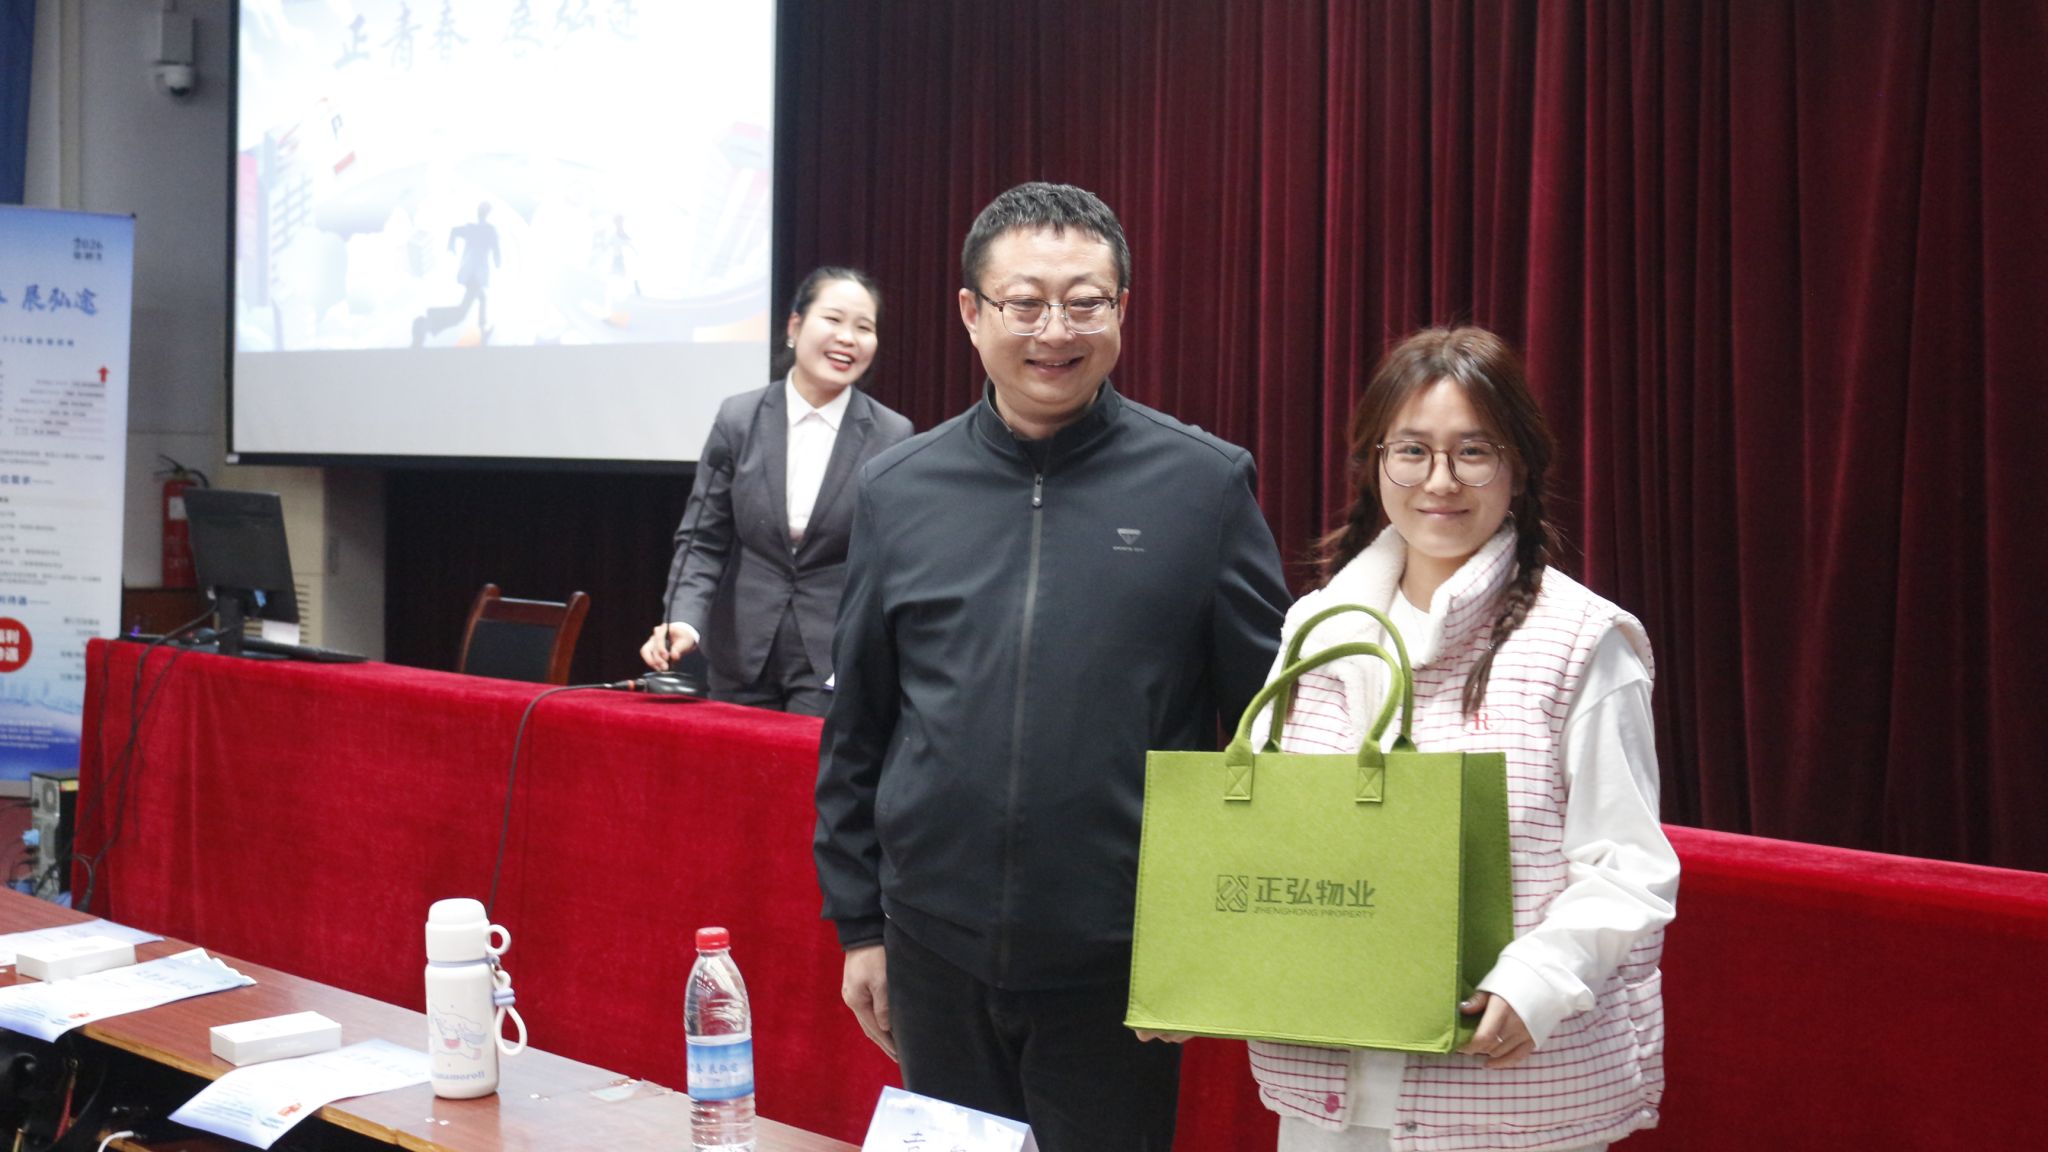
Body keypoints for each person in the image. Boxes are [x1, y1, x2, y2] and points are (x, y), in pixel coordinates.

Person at [813, 181, 1291, 1152]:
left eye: (1085, 302)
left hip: (1121, 965)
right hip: (933, 951)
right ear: (970, 312)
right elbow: (859, 725)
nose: (1055, 331)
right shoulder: (899, 490)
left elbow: (1268, 733)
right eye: (1024, 303)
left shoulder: (1202, 487)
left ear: (1122, 308)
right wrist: (860, 925)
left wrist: (1210, 941)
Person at [1241, 326, 1678, 1152]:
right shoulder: (1315, 629)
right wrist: (1202, 959)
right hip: (1328, 1080)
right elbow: (1266, 835)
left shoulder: (1583, 640)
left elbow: (1629, 868)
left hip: (1506, 1093)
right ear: (1375, 464)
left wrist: (1537, 982)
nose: (1439, 481)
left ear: (1520, 467)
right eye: (1411, 450)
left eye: (1473, 451)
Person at [640, 266, 913, 716]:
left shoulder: (891, 434)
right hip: (739, 650)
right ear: (795, 326)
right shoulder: (739, 418)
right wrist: (683, 620)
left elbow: (891, 562)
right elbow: (703, 539)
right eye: (833, 319)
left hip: (830, 657)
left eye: (864, 327)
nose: (848, 338)